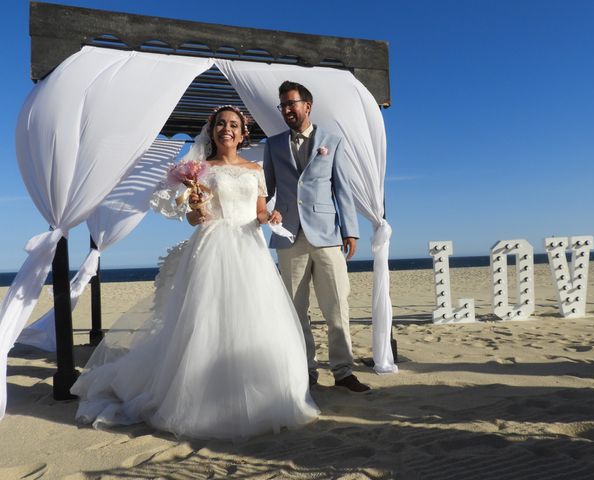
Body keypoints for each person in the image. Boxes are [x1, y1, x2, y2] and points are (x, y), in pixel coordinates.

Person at [70, 106, 319, 440]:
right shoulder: (200, 170)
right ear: (212, 130)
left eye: (234, 125)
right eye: (221, 124)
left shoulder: (255, 170)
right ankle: (199, 398)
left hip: (249, 248)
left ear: (244, 134)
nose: (227, 129)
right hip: (212, 245)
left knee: (253, 317)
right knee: (207, 319)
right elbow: (192, 217)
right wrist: (198, 210)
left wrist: (268, 217)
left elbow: (259, 210)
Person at [263, 81, 370, 393]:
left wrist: (350, 230)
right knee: (295, 311)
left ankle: (343, 371)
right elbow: (266, 190)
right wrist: (264, 211)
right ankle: (305, 371)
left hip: (326, 235)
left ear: (307, 106)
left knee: (337, 305)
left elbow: (343, 189)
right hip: (287, 236)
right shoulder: (274, 144)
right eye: (281, 105)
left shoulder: (332, 142)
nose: (286, 110)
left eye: (291, 104)